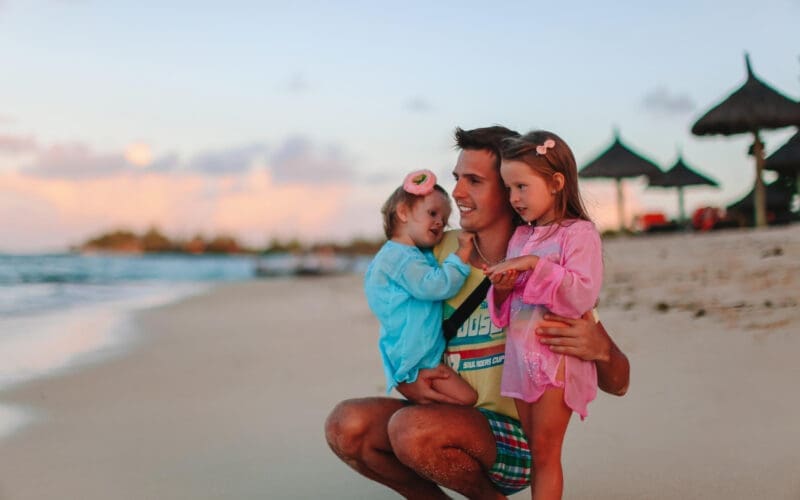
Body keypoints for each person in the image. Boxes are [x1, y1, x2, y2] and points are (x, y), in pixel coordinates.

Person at [325, 126, 630, 499]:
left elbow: (619, 382)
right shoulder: (438, 254)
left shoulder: (547, 260)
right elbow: (394, 318)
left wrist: (600, 348)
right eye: (456, 179)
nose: (456, 193)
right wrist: (405, 379)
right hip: (443, 416)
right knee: (347, 425)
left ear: (510, 188)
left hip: (514, 441)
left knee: (411, 429)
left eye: (473, 180)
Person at [484, 131, 602, 499]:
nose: (513, 198)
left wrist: (536, 265)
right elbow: (507, 310)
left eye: (521, 186)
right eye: (508, 188)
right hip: (521, 360)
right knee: (536, 451)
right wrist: (502, 288)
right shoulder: (520, 237)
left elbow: (582, 294)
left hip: (557, 360)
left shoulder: (579, 234)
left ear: (555, 183)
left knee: (547, 453)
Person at [365, 169, 478, 405]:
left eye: (445, 221)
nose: (439, 222)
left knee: (457, 401)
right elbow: (434, 286)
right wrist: (461, 255)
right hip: (416, 359)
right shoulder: (399, 258)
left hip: (416, 354)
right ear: (404, 212)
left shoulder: (405, 255)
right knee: (467, 399)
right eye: (432, 213)